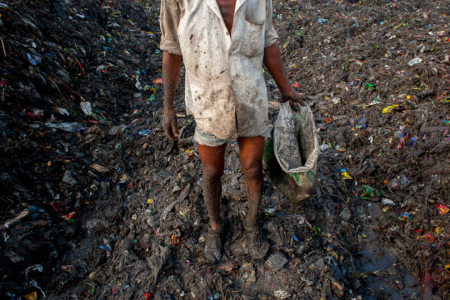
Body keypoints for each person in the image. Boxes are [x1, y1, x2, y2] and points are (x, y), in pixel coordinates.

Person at [160, 0, 306, 263]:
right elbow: (171, 47)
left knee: (252, 167)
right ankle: (215, 226)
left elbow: (268, 40)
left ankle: (252, 223)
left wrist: (285, 87)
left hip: (250, 97)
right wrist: (168, 107)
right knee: (212, 171)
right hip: (208, 100)